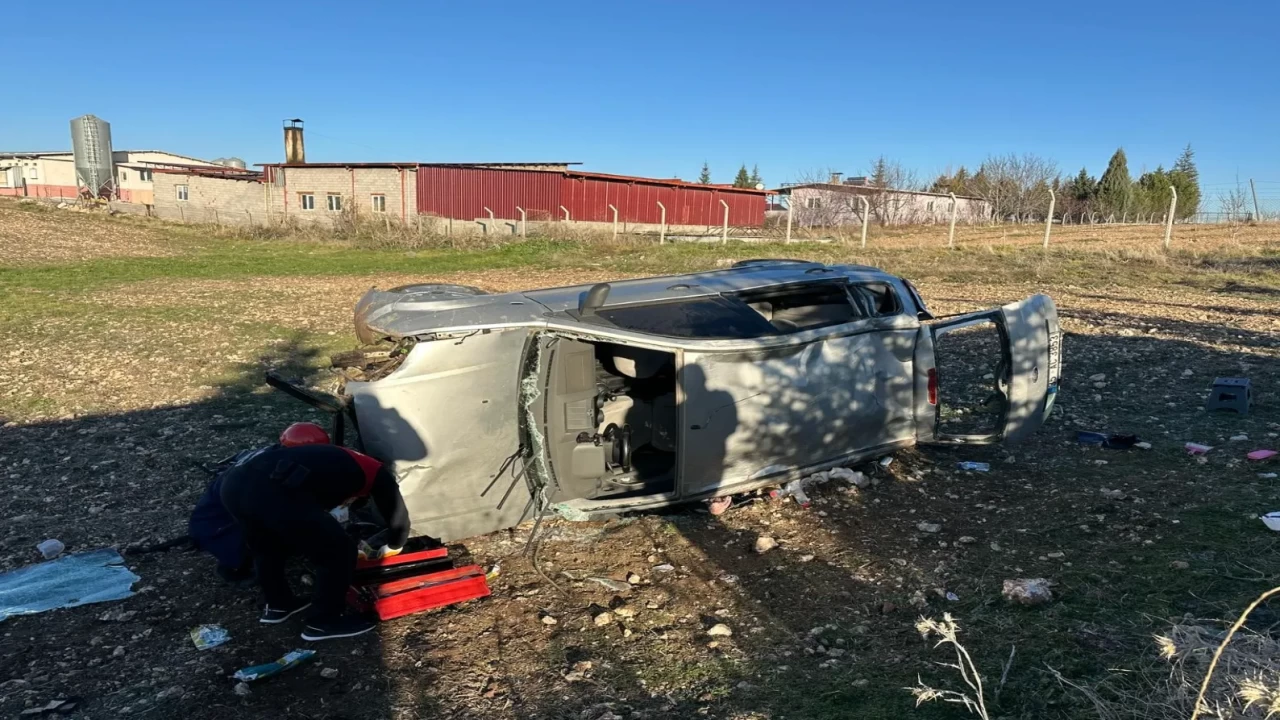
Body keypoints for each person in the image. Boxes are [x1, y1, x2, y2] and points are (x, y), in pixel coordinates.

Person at [218, 422, 410, 641]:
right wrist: (396, 543)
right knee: (338, 551)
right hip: (268, 491)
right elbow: (397, 512)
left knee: (267, 548)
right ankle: (323, 623)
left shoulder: (332, 460)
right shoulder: (377, 473)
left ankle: (278, 605)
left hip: (233, 485)